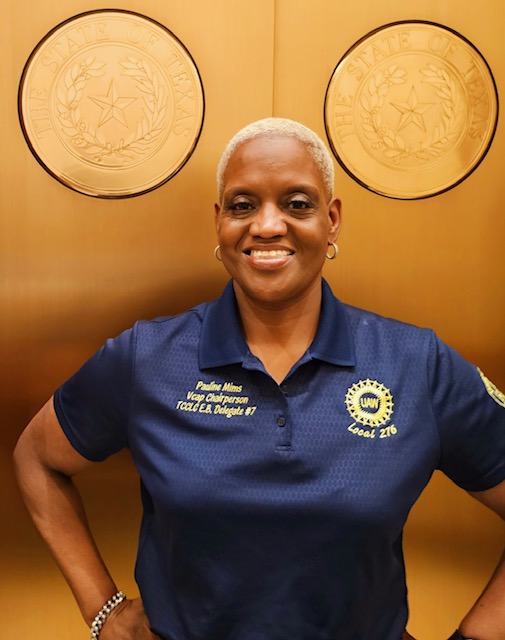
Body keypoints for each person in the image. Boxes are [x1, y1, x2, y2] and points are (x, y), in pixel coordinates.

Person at [13, 117, 505, 640]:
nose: (267, 226)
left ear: (332, 221)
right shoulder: (146, 357)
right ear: (219, 222)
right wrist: (104, 611)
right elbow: (37, 459)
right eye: (243, 205)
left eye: (298, 203)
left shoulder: (415, 363)